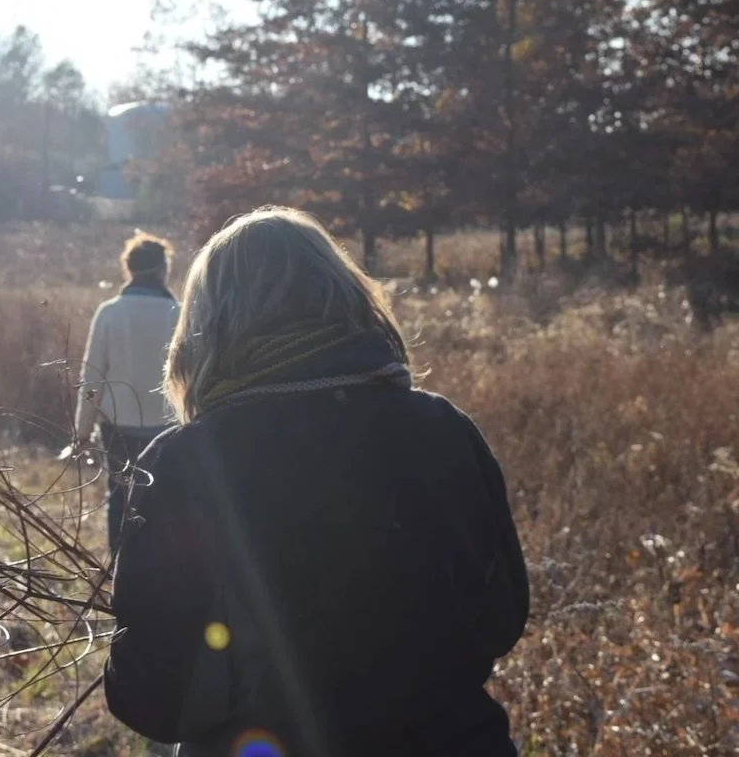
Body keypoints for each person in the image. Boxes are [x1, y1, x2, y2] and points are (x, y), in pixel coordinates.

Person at [105, 207, 530, 756]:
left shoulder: (186, 464)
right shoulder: (442, 429)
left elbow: (155, 699)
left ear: (206, 325)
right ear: (347, 296)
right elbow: (499, 620)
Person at [73, 231, 179, 553]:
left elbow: (92, 377)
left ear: (128, 270)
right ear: (163, 269)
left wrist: (81, 430)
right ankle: (161, 573)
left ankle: (119, 574)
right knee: (164, 505)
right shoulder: (181, 313)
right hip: (169, 428)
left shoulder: (110, 313)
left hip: (117, 427)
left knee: (120, 501)